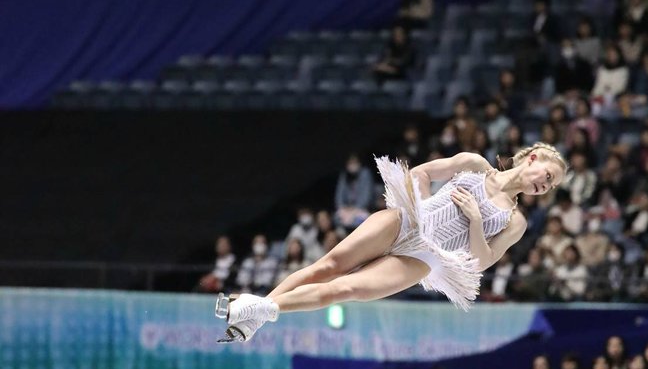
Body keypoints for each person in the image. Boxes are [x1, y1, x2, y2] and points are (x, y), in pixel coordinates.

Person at [216, 144, 569, 340]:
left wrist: (476, 221)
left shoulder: (515, 220)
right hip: (407, 221)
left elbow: (481, 262)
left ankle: (261, 310)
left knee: (346, 289)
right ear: (533, 158)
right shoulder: (475, 164)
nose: (546, 186)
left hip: (426, 257)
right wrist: (421, 209)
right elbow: (420, 173)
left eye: (551, 187)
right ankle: (256, 315)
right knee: (328, 266)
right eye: (549, 176)